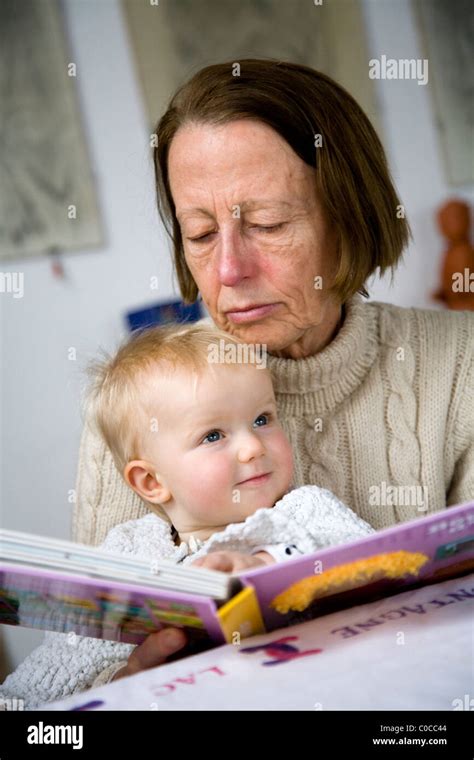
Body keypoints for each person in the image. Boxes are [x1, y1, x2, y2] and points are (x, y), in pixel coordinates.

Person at [3, 58, 473, 703]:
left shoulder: (459, 365)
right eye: (199, 232)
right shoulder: (142, 405)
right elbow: (82, 662)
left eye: (270, 225)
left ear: (351, 215)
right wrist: (131, 684)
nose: (226, 269)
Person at [0, 322, 374, 709]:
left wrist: (267, 566)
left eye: (262, 419)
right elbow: (52, 672)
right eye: (213, 436)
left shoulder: (306, 509)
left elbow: (373, 561)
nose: (251, 447)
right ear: (150, 481)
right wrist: (117, 680)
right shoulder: (127, 548)